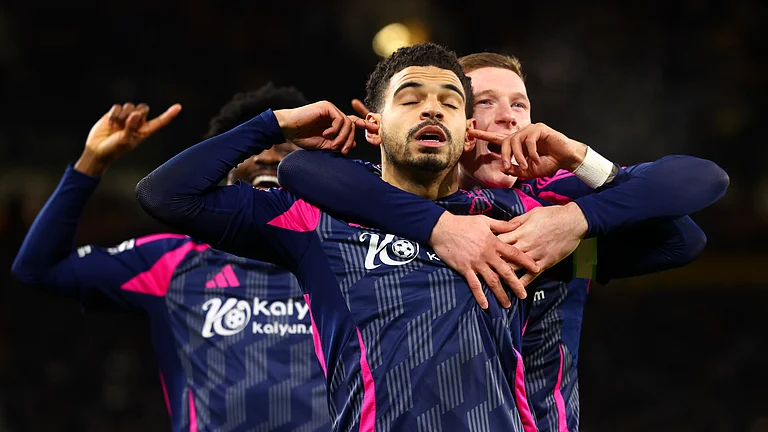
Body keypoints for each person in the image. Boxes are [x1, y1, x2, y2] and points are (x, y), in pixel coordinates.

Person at [135, 43, 707, 432]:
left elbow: (682, 233)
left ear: (464, 134)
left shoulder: (519, 228)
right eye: (410, 98)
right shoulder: (317, 219)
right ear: (374, 125)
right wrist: (275, 124)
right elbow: (166, 195)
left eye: (451, 102)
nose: (432, 108)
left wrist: (577, 205)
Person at [288, 52, 729, 431]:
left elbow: (685, 231)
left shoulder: (548, 207)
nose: (508, 117)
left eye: (520, 103)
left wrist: (579, 185)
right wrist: (439, 227)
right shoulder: (379, 199)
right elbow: (301, 170)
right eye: (485, 102)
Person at [12, 85, 333, 432]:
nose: (268, 156)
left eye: (285, 146)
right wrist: (93, 160)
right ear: (221, 170)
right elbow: (38, 267)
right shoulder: (169, 264)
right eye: (254, 147)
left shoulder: (348, 257)